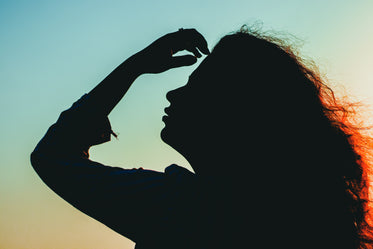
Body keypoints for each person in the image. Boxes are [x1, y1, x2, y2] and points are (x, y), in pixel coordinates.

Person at [31, 27, 373, 248]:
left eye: (195, 87)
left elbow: (53, 157)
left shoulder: (180, 207)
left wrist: (136, 65)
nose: (172, 95)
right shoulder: (294, 219)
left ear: (233, 114)